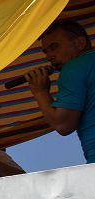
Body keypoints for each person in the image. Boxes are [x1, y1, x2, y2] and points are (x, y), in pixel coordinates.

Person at [26, 20, 95, 163]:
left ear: (80, 43)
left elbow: (63, 125)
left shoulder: (73, 67)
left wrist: (40, 92)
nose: (49, 56)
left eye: (54, 47)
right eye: (46, 51)